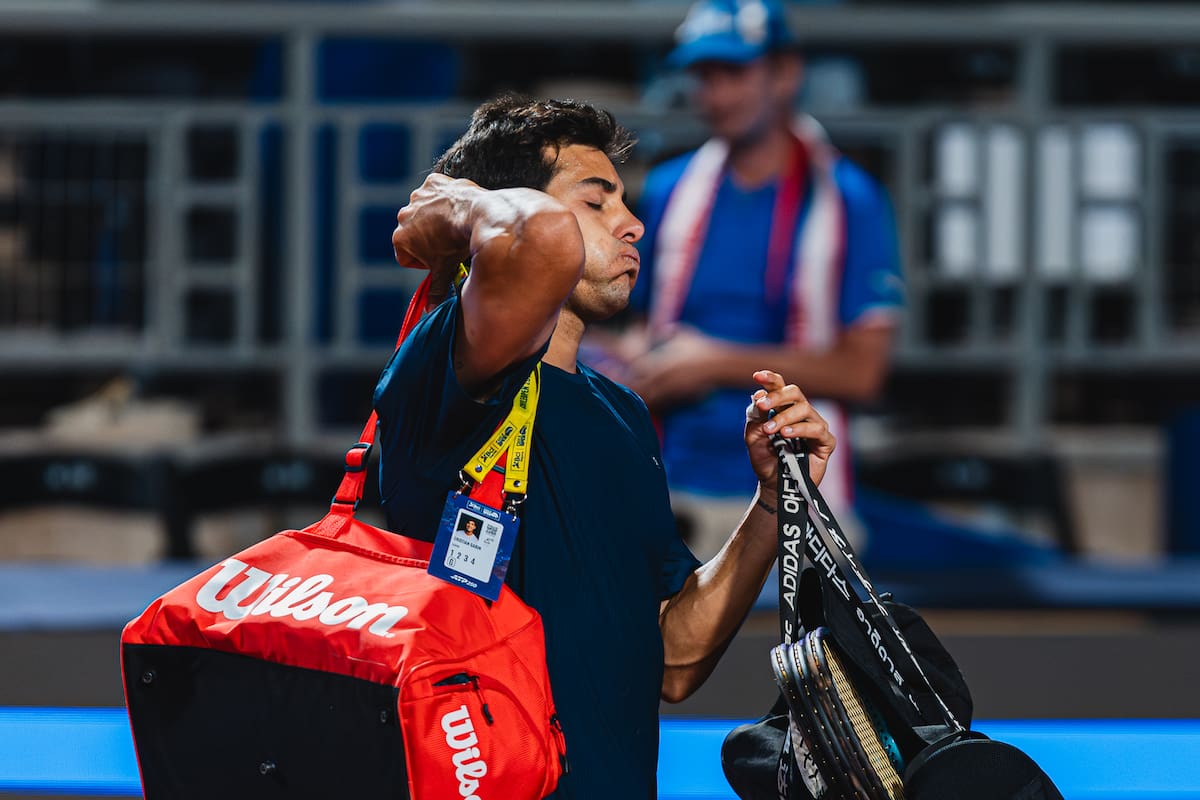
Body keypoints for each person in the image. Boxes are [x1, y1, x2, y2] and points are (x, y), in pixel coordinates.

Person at [374, 93, 836, 800]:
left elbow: (675, 658)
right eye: (597, 203)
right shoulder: (451, 362)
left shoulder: (621, 412)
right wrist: (458, 207)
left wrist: (772, 502)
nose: (634, 224)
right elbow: (541, 244)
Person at [606, 0, 904, 560]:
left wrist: (709, 362)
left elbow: (864, 371)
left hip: (796, 498)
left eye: (735, 72)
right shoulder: (671, 186)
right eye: (703, 75)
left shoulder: (850, 198)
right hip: (673, 485)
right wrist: (632, 365)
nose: (716, 93)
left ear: (786, 73)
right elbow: (645, 330)